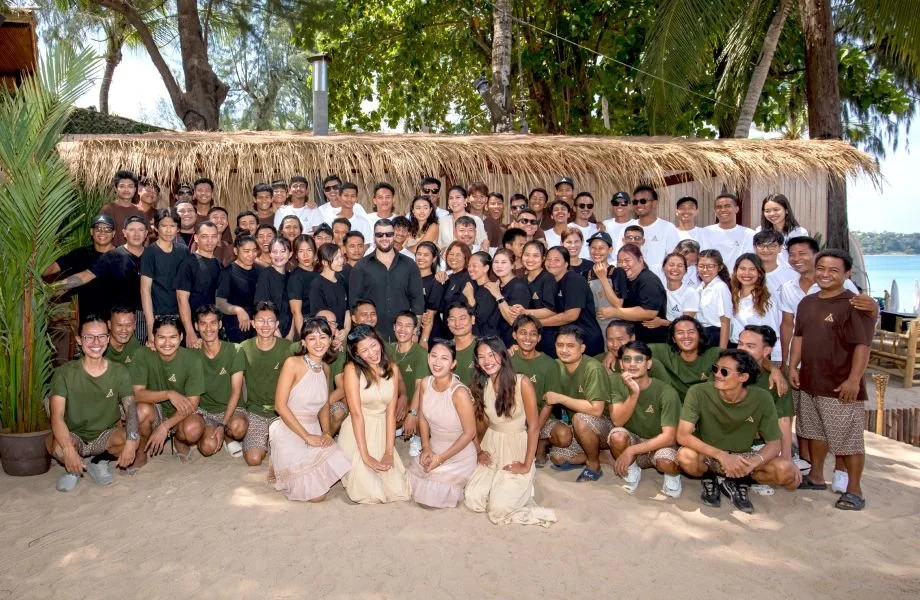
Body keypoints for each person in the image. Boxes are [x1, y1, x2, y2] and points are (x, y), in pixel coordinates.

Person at [790, 250, 875, 511]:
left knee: (847, 439)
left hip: (840, 385)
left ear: (847, 274)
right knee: (813, 432)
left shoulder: (854, 305)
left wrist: (854, 379)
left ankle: (855, 490)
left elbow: (862, 346)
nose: (826, 274)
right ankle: (816, 476)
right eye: (821, 268)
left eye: (834, 270)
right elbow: (800, 337)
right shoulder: (807, 302)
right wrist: (793, 366)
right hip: (810, 379)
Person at [677, 350, 799, 513]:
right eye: (715, 369)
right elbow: (682, 435)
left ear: (743, 377)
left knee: (786, 471)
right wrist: (722, 455)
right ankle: (710, 478)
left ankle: (740, 480)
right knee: (685, 457)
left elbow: (774, 444)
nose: (718, 375)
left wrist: (752, 464)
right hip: (711, 455)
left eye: (725, 371)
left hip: (744, 456)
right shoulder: (698, 392)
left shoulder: (762, 398)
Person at [464, 337, 556, 526]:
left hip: (516, 445)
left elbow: (534, 427)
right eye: (481, 357)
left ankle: (519, 485)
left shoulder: (522, 382)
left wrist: (525, 464)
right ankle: (499, 487)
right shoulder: (481, 385)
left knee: (499, 510)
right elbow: (471, 423)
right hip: (492, 444)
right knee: (473, 499)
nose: (487, 361)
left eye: (492, 354)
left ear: (503, 355)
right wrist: (479, 450)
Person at [47, 316, 144, 492]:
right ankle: (73, 469)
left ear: (107, 339)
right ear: (79, 340)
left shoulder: (119, 371)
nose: (95, 342)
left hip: (104, 435)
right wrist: (68, 449)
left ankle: (99, 461)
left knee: (131, 439)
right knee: (58, 448)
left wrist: (131, 439)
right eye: (89, 337)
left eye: (101, 336)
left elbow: (130, 408)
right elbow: (57, 416)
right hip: (74, 434)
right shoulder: (64, 373)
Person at [269, 317, 351, 502]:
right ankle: (279, 462)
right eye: (312, 338)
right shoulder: (293, 363)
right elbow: (279, 406)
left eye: (323, 337)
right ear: (303, 342)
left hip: (314, 428)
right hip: (291, 430)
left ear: (330, 340)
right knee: (317, 496)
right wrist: (307, 437)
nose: (318, 343)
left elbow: (323, 406)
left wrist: (327, 432)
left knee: (342, 463)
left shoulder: (326, 368)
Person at [337, 325, 412, 504]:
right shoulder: (351, 369)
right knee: (367, 492)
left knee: (397, 489)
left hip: (383, 429)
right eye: (364, 350)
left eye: (373, 345)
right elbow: (355, 414)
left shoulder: (392, 368)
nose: (372, 353)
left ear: (379, 341)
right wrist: (365, 455)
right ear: (356, 354)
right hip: (358, 432)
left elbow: (390, 412)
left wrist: (389, 452)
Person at [407, 339, 478, 508]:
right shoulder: (425, 383)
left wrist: (440, 459)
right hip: (434, 448)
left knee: (430, 496)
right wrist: (426, 447)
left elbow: (470, 433)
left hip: (458, 454)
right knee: (408, 484)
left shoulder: (459, 392)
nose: (437, 362)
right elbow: (422, 417)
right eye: (434, 356)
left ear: (453, 363)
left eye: (444, 358)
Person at [56, 215, 148, 343]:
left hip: (144, 318)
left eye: (140, 230)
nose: (136, 234)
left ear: (146, 233)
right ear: (124, 233)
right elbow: (84, 276)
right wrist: (53, 288)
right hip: (116, 320)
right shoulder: (113, 256)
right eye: (132, 229)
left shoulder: (153, 255)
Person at [608, 341, 682, 497]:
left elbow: (669, 437)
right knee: (617, 435)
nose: (632, 364)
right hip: (635, 438)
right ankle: (633, 468)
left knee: (667, 462)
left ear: (648, 364)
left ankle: (673, 476)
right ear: (621, 364)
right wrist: (634, 394)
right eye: (627, 359)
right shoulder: (615, 381)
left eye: (638, 359)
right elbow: (617, 421)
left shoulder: (666, 392)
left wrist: (631, 450)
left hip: (659, 444)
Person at [130, 315, 205, 462]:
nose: (167, 343)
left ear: (181, 337)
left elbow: (193, 402)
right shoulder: (142, 354)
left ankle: (179, 440)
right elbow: (137, 394)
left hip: (182, 411)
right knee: (140, 411)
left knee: (193, 429)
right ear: (153, 337)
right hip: (155, 409)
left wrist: (165, 426)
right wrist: (168, 394)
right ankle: (141, 452)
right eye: (161, 337)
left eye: (172, 337)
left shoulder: (192, 360)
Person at [543, 325, 611, 482]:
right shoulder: (556, 365)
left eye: (570, 346)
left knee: (580, 418)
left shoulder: (592, 368)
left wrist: (561, 398)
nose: (564, 350)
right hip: (577, 427)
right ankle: (601, 455)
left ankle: (593, 464)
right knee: (558, 458)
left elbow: (597, 410)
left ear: (582, 348)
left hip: (604, 426)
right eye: (560, 345)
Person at [240, 302, 298, 467]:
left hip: (281, 413)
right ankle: (263, 441)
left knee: (288, 458)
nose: (265, 325)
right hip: (255, 411)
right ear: (253, 323)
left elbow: (312, 346)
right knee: (253, 460)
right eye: (260, 320)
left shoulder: (288, 347)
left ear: (277, 324)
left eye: (270, 321)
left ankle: (273, 441)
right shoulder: (244, 348)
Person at [349, 219, 425, 343]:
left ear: (394, 235)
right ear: (374, 237)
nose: (384, 238)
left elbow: (417, 301)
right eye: (379, 235)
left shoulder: (409, 265)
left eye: (388, 234)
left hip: (403, 337)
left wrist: (415, 333)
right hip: (371, 338)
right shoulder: (361, 267)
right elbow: (354, 304)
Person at [737, 325, 796, 473]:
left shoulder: (777, 382)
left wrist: (787, 458)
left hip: (760, 446)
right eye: (740, 343)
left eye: (750, 346)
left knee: (782, 470)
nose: (742, 349)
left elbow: (783, 420)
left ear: (766, 351)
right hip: (725, 442)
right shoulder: (724, 370)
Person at [192, 305, 248, 458]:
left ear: (220, 325)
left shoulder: (235, 350)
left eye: (213, 323)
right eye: (203, 323)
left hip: (231, 408)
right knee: (207, 448)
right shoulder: (192, 353)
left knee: (238, 428)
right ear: (196, 326)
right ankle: (209, 433)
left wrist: (223, 424)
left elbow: (236, 391)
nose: (208, 328)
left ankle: (227, 435)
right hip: (207, 411)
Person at [510, 316, 562, 467]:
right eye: (523, 332)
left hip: (542, 417)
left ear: (539, 338)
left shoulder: (549, 364)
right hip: (515, 416)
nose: (528, 338)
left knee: (563, 435)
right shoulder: (507, 360)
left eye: (533, 334)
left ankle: (542, 443)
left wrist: (536, 429)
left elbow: (549, 403)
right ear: (514, 335)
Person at [44, 214, 114, 322]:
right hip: (82, 314)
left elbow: (84, 276)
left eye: (107, 229)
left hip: (113, 317)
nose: (102, 232)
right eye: (98, 228)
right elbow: (53, 267)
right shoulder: (80, 253)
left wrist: (51, 289)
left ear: (113, 233)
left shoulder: (121, 256)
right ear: (91, 232)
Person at [596, 244, 668, 344]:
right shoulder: (627, 279)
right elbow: (618, 303)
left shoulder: (648, 281)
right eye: (620, 262)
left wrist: (615, 312)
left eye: (627, 260)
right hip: (634, 340)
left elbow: (649, 312)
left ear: (640, 259)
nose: (623, 265)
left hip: (651, 342)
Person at [542, 246, 605, 356]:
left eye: (557, 260)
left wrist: (538, 323)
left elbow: (571, 315)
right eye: (548, 259)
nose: (551, 262)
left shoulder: (574, 280)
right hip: (568, 342)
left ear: (566, 263)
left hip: (585, 342)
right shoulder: (551, 282)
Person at [140, 208, 189, 343]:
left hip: (179, 316)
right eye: (164, 226)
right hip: (157, 316)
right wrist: (150, 326)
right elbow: (145, 290)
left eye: (172, 226)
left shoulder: (183, 251)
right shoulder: (150, 253)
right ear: (156, 228)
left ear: (178, 228)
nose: (168, 230)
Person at [175, 221, 222, 349]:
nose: (209, 240)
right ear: (196, 238)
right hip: (194, 328)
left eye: (213, 236)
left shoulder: (218, 264)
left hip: (212, 328)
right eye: (205, 236)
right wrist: (189, 331)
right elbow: (181, 299)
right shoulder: (189, 264)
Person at [729, 254, 782, 362]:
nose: (746, 273)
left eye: (752, 269)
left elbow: (773, 332)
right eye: (742, 269)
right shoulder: (730, 294)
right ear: (736, 271)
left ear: (760, 273)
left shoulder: (766, 300)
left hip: (755, 353)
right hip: (733, 349)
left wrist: (775, 361)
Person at [216, 235, 263, 343]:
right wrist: (238, 310)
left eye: (254, 250)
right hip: (235, 326)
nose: (251, 255)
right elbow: (220, 303)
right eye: (246, 251)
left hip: (257, 326)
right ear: (236, 251)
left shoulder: (261, 271)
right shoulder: (228, 273)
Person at [482, 249, 531, 346]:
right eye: (496, 262)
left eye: (504, 262)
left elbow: (513, 320)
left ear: (513, 265)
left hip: (510, 344)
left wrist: (498, 296)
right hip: (495, 341)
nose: (499, 266)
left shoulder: (519, 288)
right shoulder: (497, 285)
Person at [627, 184, 680, 271]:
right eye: (635, 202)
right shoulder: (628, 228)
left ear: (654, 203)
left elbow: (674, 259)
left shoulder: (668, 228)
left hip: (658, 282)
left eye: (643, 201)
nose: (639, 205)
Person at [518, 241, 558, 356]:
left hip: (547, 336)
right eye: (527, 255)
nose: (530, 259)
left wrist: (525, 312)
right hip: (528, 337)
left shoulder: (547, 279)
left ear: (543, 258)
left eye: (535, 255)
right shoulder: (522, 280)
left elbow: (551, 310)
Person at [255, 237, 294, 339]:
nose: (278, 255)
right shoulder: (266, 275)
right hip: (271, 332)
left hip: (289, 332)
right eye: (275, 252)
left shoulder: (291, 277)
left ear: (290, 254)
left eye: (282, 251)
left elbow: (294, 308)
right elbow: (262, 306)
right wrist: (276, 332)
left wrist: (291, 333)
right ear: (270, 254)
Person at [585, 231, 623, 336]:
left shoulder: (617, 272)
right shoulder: (584, 274)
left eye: (601, 248)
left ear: (610, 250)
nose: (597, 251)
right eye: (593, 247)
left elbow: (618, 304)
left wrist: (603, 278)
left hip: (612, 327)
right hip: (592, 327)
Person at [704, 193, 755, 270]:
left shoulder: (749, 234)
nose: (723, 210)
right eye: (719, 207)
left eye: (727, 206)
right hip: (713, 278)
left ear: (736, 209)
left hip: (739, 279)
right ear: (715, 211)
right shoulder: (705, 232)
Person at [756, 193, 808, 266]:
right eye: (767, 211)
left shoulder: (799, 233)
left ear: (786, 210)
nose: (772, 214)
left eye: (776, 210)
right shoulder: (760, 231)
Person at [696, 248, 732, 348]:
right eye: (701, 266)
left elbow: (725, 322)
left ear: (719, 267)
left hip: (715, 336)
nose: (705, 270)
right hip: (702, 335)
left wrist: (721, 351)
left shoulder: (720, 287)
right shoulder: (700, 287)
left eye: (710, 266)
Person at [311, 243, 350, 333]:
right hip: (327, 332)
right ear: (324, 262)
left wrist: (346, 329)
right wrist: (335, 332)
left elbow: (347, 308)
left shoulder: (342, 279)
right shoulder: (317, 285)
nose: (341, 261)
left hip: (343, 332)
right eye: (336, 259)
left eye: (341, 257)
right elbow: (320, 316)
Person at [437, 185, 489, 251]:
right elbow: (438, 245)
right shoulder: (442, 221)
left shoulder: (476, 220)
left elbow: (483, 243)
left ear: (465, 200)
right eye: (451, 198)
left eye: (458, 197)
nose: (454, 201)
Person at [287, 235, 320, 337]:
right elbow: (296, 312)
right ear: (296, 255)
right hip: (305, 324)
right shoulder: (295, 277)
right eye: (301, 251)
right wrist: (304, 336)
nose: (306, 255)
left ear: (315, 252)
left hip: (321, 323)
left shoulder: (319, 273)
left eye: (309, 250)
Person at [462, 251, 500, 338]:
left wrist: (470, 298)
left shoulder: (490, 289)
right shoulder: (474, 287)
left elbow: (478, 319)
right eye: (469, 266)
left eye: (474, 266)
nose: (470, 269)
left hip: (487, 340)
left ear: (486, 268)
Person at [100, 170, 144, 246]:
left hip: (136, 255)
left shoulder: (140, 211)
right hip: (113, 254)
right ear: (116, 189)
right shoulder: (107, 210)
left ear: (135, 189)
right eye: (122, 186)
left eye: (130, 186)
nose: (126, 190)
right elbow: (102, 235)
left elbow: (145, 238)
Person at [754, 230, 797, 298]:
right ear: (754, 248)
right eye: (761, 245)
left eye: (771, 246)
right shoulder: (746, 275)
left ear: (780, 248)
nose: (765, 250)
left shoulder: (792, 276)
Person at [445, 302, 478, 385]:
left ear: (473, 319)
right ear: (448, 322)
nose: (457, 324)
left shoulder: (483, 347)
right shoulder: (442, 350)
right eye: (452, 319)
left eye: (462, 318)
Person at [601, 191, 632, 257]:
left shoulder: (636, 224)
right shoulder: (605, 224)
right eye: (616, 203)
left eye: (623, 203)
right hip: (609, 265)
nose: (619, 206)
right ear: (612, 206)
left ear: (630, 206)